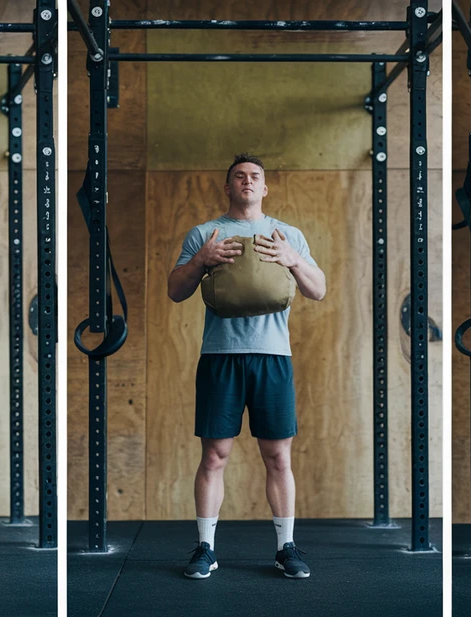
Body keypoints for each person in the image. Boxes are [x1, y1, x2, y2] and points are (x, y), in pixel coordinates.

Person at [167, 153, 327, 579]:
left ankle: (285, 547)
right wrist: (201, 260)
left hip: (273, 357)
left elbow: (318, 289)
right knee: (215, 455)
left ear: (265, 187)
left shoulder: (287, 234)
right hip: (220, 356)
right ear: (228, 187)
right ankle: (205, 548)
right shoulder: (206, 233)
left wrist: (292, 258)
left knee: (277, 456)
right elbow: (175, 290)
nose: (247, 181)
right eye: (239, 176)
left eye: (255, 176)